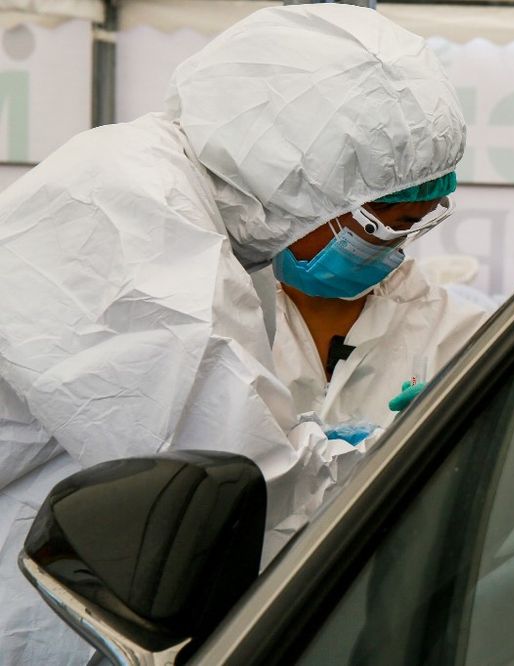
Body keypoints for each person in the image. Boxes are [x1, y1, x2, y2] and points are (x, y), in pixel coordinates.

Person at [0, 5, 465, 663]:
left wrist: (321, 448)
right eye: (384, 226)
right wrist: (404, 456)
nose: (388, 255)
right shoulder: (129, 212)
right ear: (300, 176)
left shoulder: (214, 224)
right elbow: (243, 488)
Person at [269, 179, 490, 442]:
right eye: (387, 227)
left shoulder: (459, 331)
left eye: (405, 227)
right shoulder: (224, 309)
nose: (391, 245)